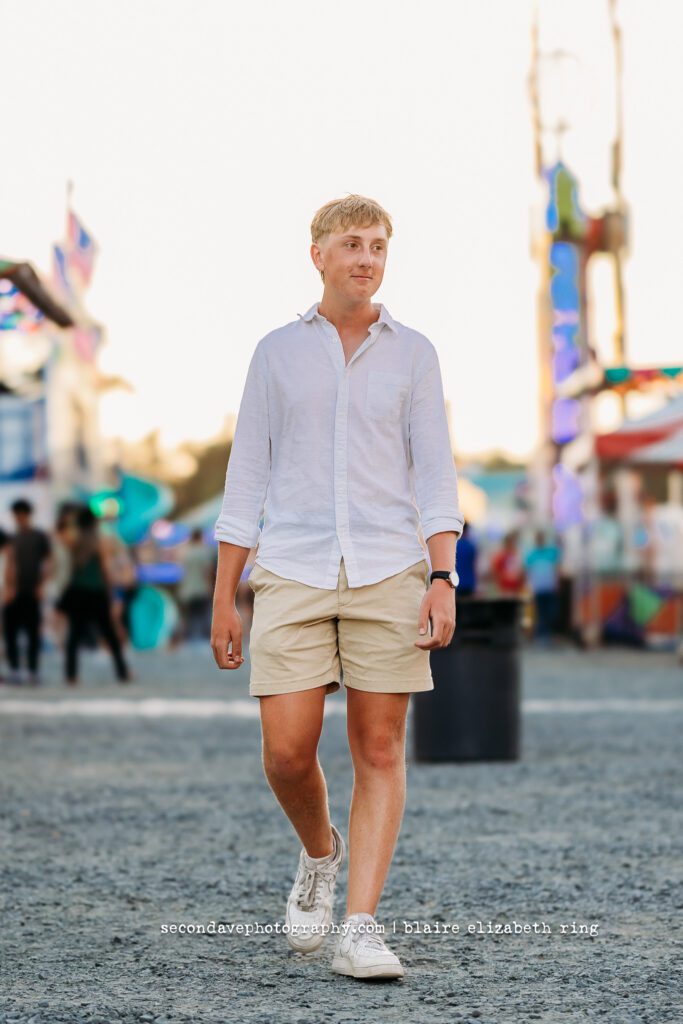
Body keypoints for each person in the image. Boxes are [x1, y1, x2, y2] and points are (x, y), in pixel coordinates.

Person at [211, 194, 464, 981]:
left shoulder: (414, 353)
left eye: (378, 245)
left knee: (378, 747)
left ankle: (360, 925)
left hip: (391, 568)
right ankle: (319, 853)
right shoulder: (276, 353)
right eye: (351, 243)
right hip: (290, 567)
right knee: (287, 752)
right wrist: (227, 592)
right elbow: (246, 469)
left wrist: (444, 575)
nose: (366, 257)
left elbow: (434, 470)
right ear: (316, 253)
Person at [57, 506, 132, 686]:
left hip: (78, 592)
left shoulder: (74, 541)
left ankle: (71, 675)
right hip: (96, 592)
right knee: (110, 634)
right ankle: (122, 672)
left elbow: (60, 534)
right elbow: (105, 568)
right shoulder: (101, 542)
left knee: (74, 636)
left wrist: (71, 520)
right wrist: (111, 590)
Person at [2, 498, 53, 685]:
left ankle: (33, 670)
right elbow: (8, 565)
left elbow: (48, 562)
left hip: (32, 590)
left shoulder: (39, 537)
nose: (18, 519)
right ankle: (15, 669)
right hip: (14, 592)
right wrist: (8, 588)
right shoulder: (11, 538)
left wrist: (41, 585)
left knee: (33, 633)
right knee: (11, 632)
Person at [524, 528, 561, 644]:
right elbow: (527, 572)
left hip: (549, 587)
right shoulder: (531, 554)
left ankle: (548, 633)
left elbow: (556, 569)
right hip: (538, 588)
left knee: (551, 612)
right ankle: (541, 635)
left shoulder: (551, 552)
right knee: (540, 613)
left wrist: (557, 582)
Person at [178, 528, 214, 642]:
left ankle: (191, 639)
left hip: (187, 590)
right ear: (201, 537)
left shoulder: (186, 552)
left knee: (191, 617)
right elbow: (207, 572)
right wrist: (210, 588)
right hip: (201, 589)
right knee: (203, 616)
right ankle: (204, 640)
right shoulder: (204, 552)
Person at [491, 530, 526, 595]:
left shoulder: (516, 554)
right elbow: (496, 571)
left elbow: (522, 570)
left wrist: (520, 584)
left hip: (516, 587)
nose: (511, 544)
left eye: (513, 542)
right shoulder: (500, 556)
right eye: (510, 542)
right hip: (505, 588)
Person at [454, 521, 478, 597]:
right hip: (469, 582)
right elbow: (475, 565)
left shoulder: (455, 545)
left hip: (456, 582)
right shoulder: (471, 546)